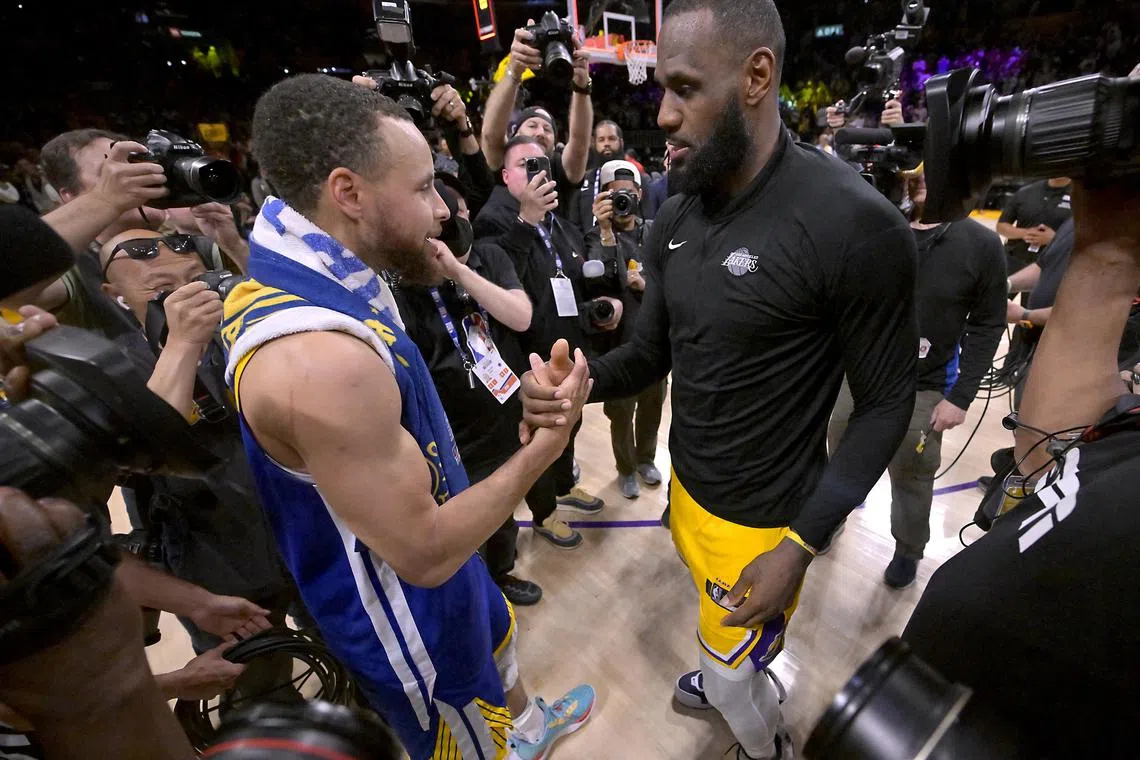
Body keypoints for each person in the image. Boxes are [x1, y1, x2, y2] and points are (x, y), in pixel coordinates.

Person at [520, 1, 918, 757]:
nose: (663, 115)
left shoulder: (853, 224)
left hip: (767, 525)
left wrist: (799, 546)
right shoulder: (676, 216)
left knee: (737, 678)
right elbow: (652, 353)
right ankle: (730, 672)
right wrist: (584, 385)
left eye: (684, 88)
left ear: (756, 76)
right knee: (726, 651)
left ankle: (762, 737)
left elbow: (888, 402)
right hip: (690, 490)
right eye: (661, 92)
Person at [223, 74, 595, 760]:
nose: (442, 211)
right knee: (471, 739)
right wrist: (544, 449)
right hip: (409, 615)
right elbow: (423, 552)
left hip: (450, 554)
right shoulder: (318, 361)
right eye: (423, 188)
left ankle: (528, 732)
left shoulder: (317, 263)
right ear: (348, 193)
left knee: (501, 658)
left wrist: (517, 413)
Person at [902, 178, 1140, 758]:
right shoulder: (1117, 434)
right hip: (931, 712)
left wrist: (1026, 315)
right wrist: (1108, 232)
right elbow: (1045, 455)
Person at [96, 229, 300, 655]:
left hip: (302, 531)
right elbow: (141, 452)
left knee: (355, 656)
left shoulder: (245, 328)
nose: (186, 296)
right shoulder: (110, 365)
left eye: (196, 278)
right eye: (162, 289)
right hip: (214, 556)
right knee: (253, 673)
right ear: (114, 294)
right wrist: (183, 343)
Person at [828, 169, 1007, 588]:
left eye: (935, 169)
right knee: (837, 456)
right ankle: (829, 520)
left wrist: (961, 396)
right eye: (917, 171)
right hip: (858, 373)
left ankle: (908, 549)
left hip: (923, 385)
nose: (923, 177)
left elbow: (987, 323)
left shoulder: (980, 244)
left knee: (911, 473)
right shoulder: (880, 225)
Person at [391, 175, 555, 603]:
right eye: (446, 218)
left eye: (461, 214)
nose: (456, 223)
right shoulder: (399, 283)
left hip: (503, 410)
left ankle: (501, 575)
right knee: (466, 513)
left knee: (503, 509)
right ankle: (473, 590)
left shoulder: (489, 256)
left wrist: (459, 271)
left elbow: (520, 316)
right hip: (450, 427)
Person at [474, 135, 612, 531]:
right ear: (505, 175)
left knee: (571, 424)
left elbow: (570, 281)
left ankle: (565, 484)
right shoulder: (494, 220)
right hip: (530, 354)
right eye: (527, 166)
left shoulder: (561, 225)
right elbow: (499, 282)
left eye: (543, 166)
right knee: (540, 436)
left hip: (569, 345)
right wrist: (526, 220)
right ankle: (544, 512)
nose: (539, 174)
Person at [585, 160, 667, 500]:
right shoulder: (594, 235)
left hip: (655, 343)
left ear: (640, 195)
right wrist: (605, 231)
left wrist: (645, 285)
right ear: (603, 197)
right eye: (615, 195)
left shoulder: (656, 230)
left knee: (653, 406)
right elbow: (598, 283)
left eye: (628, 195)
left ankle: (646, 458)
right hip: (617, 346)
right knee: (621, 413)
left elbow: (673, 282)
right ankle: (625, 467)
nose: (623, 201)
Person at [481, 21, 594, 219]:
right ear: (514, 134)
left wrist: (582, 86)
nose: (540, 132)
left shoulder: (559, 167)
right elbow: (491, 135)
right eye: (532, 125)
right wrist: (514, 72)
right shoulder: (505, 161)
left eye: (547, 129)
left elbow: (579, 143)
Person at [996, 177, 1072, 274]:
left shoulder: (1079, 195)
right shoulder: (1026, 191)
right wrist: (1026, 233)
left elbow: (1088, 236)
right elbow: (1001, 226)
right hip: (1015, 260)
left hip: (1054, 264)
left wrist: (1055, 239)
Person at [569, 120, 630, 230]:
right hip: (590, 244)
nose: (606, 143)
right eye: (601, 140)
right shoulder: (583, 181)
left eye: (611, 139)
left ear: (621, 142)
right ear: (594, 144)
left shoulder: (638, 179)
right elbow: (574, 226)